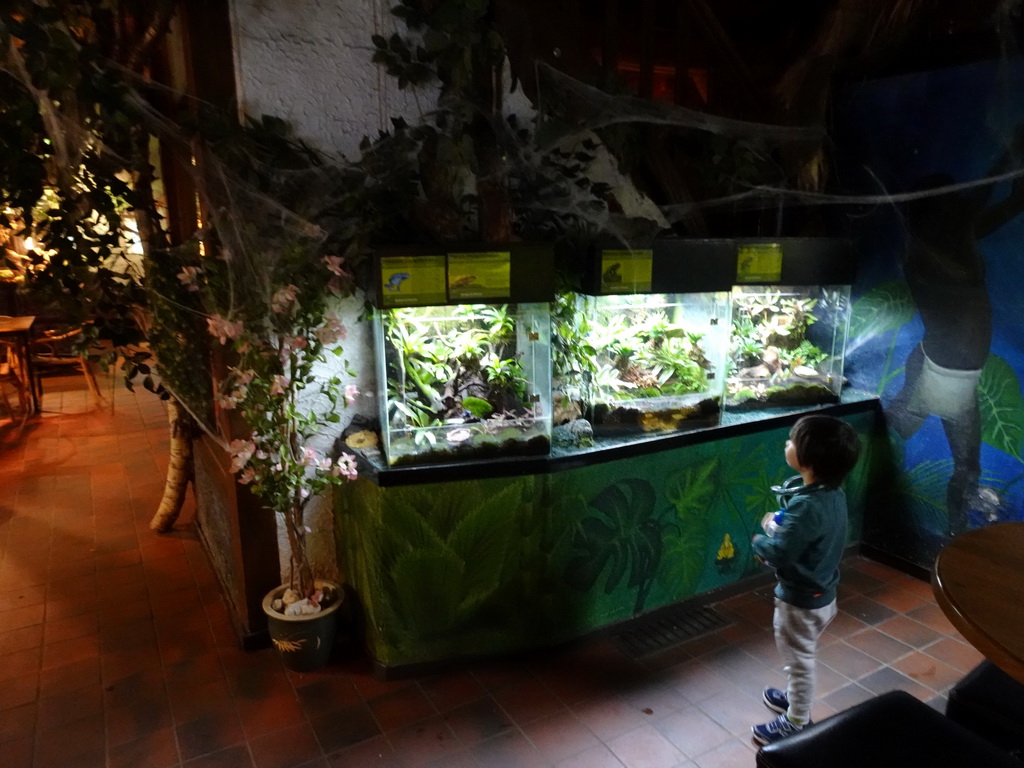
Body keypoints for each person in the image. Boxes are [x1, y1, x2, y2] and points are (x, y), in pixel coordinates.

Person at [750, 414, 861, 745]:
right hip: (824, 595)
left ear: (808, 459)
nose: (787, 444)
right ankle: (793, 697)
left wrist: (760, 542)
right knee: (802, 655)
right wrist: (782, 524)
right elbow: (807, 533)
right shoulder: (832, 494)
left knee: (799, 663)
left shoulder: (806, 506)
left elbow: (779, 552)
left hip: (799, 603)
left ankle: (796, 721)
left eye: (791, 441)